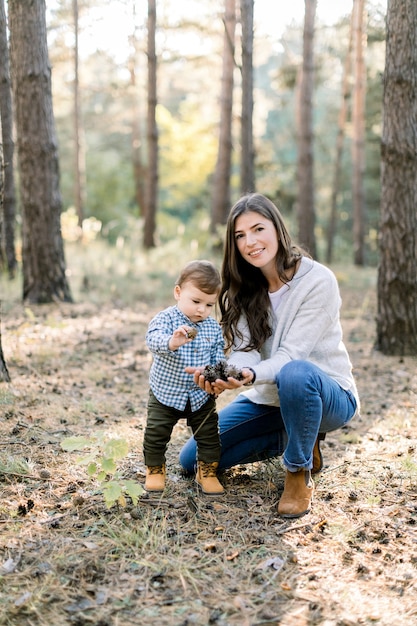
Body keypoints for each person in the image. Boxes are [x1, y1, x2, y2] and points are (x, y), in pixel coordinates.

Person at [180, 193, 360, 518]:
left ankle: (297, 471)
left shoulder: (318, 281)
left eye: (258, 229)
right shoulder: (246, 288)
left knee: (296, 373)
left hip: (326, 395)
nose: (250, 242)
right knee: (191, 460)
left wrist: (251, 376)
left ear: (277, 228)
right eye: (240, 235)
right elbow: (246, 352)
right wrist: (227, 373)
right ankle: (301, 437)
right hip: (272, 399)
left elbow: (291, 357)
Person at [143, 259, 225, 495]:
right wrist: (172, 341)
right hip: (166, 393)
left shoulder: (211, 327)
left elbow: (218, 355)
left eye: (209, 304)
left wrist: (216, 378)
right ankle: (155, 468)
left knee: (209, 435)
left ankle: (207, 471)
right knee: (156, 433)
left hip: (200, 394)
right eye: (196, 301)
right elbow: (153, 340)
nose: (202, 309)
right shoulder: (166, 319)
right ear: (178, 293)